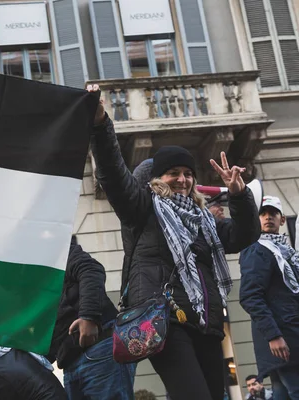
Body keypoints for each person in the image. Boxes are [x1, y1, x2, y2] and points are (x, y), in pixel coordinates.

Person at [88, 90, 261, 400]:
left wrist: (239, 195)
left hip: (206, 323)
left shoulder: (203, 219)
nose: (182, 180)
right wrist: (101, 125)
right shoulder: (142, 207)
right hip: (164, 320)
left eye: (188, 174)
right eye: (173, 173)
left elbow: (244, 236)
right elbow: (113, 175)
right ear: (157, 178)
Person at [47, 236, 135, 399]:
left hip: (98, 347)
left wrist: (89, 316)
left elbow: (91, 269)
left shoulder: (51, 249)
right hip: (70, 360)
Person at [239, 196, 299, 400]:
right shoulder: (257, 249)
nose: (267, 218)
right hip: (282, 340)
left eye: (273, 213)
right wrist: (274, 336)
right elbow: (250, 296)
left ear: (282, 220)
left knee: (283, 393)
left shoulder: (287, 252)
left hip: (288, 337)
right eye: (263, 214)